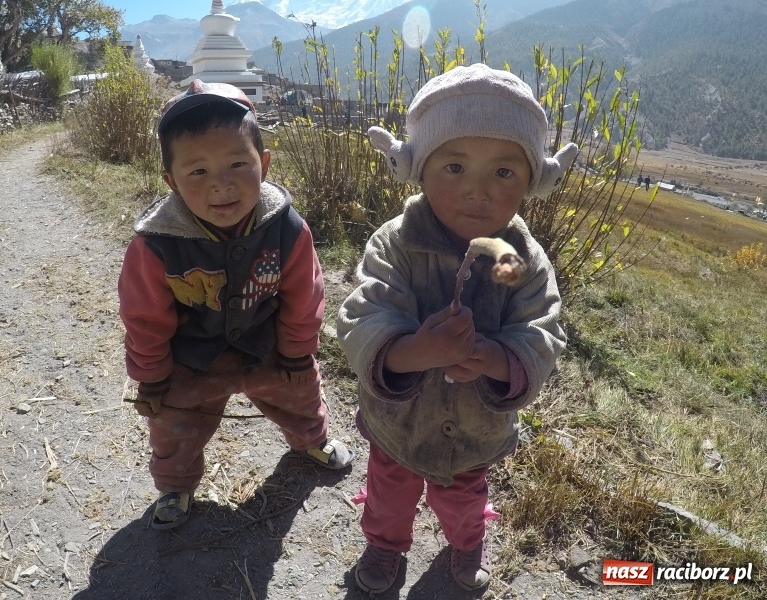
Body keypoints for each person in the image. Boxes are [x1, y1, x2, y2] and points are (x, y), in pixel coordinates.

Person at [337, 64, 576, 594]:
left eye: (504, 173)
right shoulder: (393, 244)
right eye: (453, 167)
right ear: (417, 169)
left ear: (533, 180)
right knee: (389, 492)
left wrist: (498, 360)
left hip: (476, 430)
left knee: (465, 496)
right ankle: (384, 544)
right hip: (398, 423)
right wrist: (410, 351)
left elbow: (543, 329)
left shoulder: (524, 261)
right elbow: (361, 315)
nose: (477, 191)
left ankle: (466, 541)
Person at [119, 80, 354, 530]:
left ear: (263, 164)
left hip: (266, 343)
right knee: (175, 424)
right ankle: (175, 484)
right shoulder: (156, 244)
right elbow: (144, 319)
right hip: (191, 357)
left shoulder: (285, 228)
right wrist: (150, 379)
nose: (221, 185)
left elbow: (304, 296)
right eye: (198, 172)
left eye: (237, 164)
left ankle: (311, 440)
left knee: (301, 393)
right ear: (171, 181)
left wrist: (296, 352)